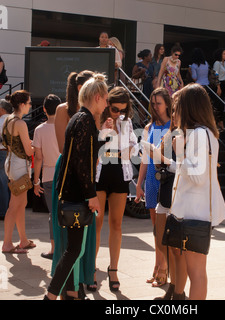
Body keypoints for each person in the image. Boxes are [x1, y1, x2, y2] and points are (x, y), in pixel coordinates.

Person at [45, 73, 107, 300]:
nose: (107, 103)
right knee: (74, 250)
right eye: (106, 98)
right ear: (98, 97)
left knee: (72, 248)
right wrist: (92, 195)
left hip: (69, 192)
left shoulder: (79, 118)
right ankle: (51, 296)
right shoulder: (85, 121)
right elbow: (82, 163)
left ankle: (70, 292)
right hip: (76, 195)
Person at [170, 83, 225, 300]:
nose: (175, 112)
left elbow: (197, 176)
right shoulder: (206, 133)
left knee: (197, 272)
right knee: (196, 270)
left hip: (195, 212)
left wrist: (179, 154)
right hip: (195, 210)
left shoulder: (199, 135)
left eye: (178, 106)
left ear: (189, 107)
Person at [51, 70, 95, 300]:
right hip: (69, 171)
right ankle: (68, 287)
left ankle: (76, 285)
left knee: (82, 239)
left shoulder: (91, 114)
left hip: (86, 173)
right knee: (69, 237)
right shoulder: (64, 110)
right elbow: (62, 149)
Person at [95, 87, 138, 292]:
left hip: (120, 176)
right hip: (100, 175)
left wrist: (122, 152)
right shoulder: (97, 119)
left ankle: (113, 269)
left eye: (123, 110)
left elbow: (132, 148)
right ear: (107, 104)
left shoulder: (126, 122)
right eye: (114, 109)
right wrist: (105, 130)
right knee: (96, 222)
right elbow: (98, 151)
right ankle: (91, 269)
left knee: (116, 224)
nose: (118, 113)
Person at [135, 87, 172, 287]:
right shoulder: (149, 127)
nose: (155, 106)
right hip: (151, 178)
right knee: (155, 227)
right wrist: (139, 184)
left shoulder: (174, 126)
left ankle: (163, 268)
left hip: (166, 177)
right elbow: (144, 158)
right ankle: (158, 267)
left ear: (167, 103)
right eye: (153, 103)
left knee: (164, 226)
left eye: (159, 103)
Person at [1, 90, 35, 254]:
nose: (30, 106)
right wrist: (35, 145)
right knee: (15, 205)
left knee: (20, 204)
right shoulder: (20, 123)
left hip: (11, 162)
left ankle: (23, 240)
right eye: (28, 103)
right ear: (22, 105)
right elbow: (29, 151)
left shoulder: (8, 119)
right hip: (19, 165)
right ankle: (7, 243)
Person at [32, 94, 61, 260]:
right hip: (65, 174)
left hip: (48, 175)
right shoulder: (65, 126)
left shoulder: (39, 130)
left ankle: (54, 248)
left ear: (44, 109)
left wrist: (36, 181)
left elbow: (38, 157)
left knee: (53, 213)